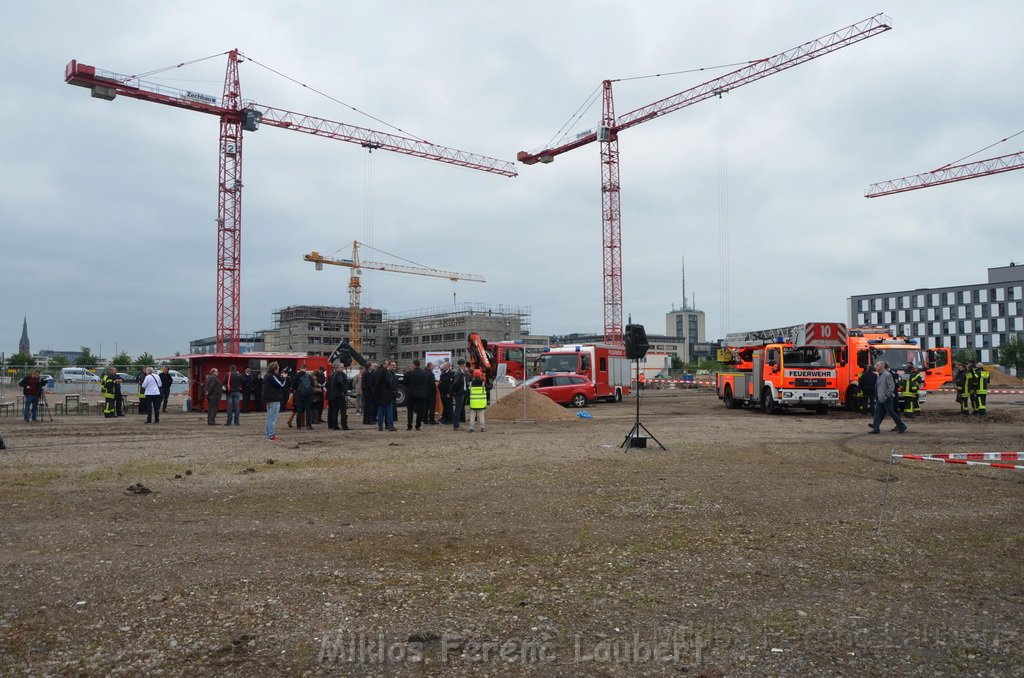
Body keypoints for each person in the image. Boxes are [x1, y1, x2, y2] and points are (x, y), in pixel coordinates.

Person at [869, 361, 907, 434]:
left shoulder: (887, 375)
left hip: (886, 398)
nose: (875, 367)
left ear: (881, 367)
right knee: (877, 413)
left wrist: (888, 395)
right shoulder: (879, 375)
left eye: (877, 365)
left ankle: (902, 425)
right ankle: (876, 428)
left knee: (891, 412)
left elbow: (891, 386)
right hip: (880, 397)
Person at [262, 361, 286, 441]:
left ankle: (268, 434)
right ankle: (271, 435)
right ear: (275, 369)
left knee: (269, 417)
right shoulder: (271, 376)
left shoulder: (266, 376)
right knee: (272, 418)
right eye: (278, 369)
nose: (278, 370)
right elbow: (281, 385)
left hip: (269, 399)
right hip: (274, 399)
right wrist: (284, 378)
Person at [403, 359, 428, 430]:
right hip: (421, 394)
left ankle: (409, 425)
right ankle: (418, 426)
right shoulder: (424, 373)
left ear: (414, 365)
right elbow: (426, 383)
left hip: (412, 394)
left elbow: (405, 382)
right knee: (420, 411)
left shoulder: (410, 373)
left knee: (410, 410)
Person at [372, 362, 396, 431]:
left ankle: (380, 426)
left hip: (379, 394)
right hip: (387, 394)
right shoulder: (385, 371)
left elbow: (374, 382)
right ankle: (390, 426)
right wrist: (392, 389)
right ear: (385, 365)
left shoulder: (376, 371)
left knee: (380, 411)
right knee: (389, 411)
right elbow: (389, 382)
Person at [327, 361, 350, 431]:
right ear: (337, 368)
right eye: (342, 367)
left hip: (333, 396)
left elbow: (328, 385)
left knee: (335, 411)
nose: (343, 368)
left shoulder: (331, 375)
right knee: (343, 411)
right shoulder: (340, 375)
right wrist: (345, 391)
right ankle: (344, 426)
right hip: (339, 395)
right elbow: (341, 383)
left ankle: (335, 425)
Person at [451, 359, 469, 429]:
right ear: (462, 364)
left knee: (459, 409)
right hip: (459, 394)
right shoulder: (459, 373)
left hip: (461, 393)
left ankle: (457, 424)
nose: (465, 366)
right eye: (465, 364)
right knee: (458, 409)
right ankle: (456, 425)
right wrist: (455, 392)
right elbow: (455, 384)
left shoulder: (461, 373)